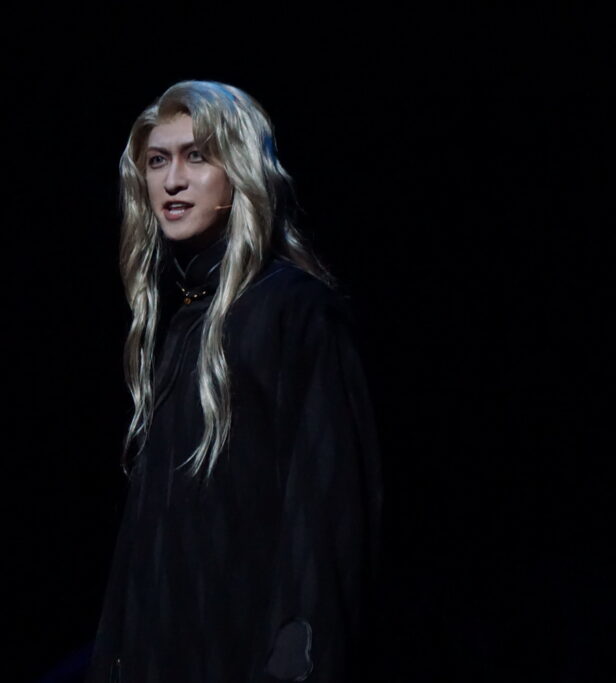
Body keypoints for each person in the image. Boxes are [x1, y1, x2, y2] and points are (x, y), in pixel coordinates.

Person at [85, 80, 383, 683]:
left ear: (240, 171)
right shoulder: (176, 325)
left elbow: (325, 514)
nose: (172, 181)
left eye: (197, 156)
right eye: (157, 161)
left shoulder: (295, 311)